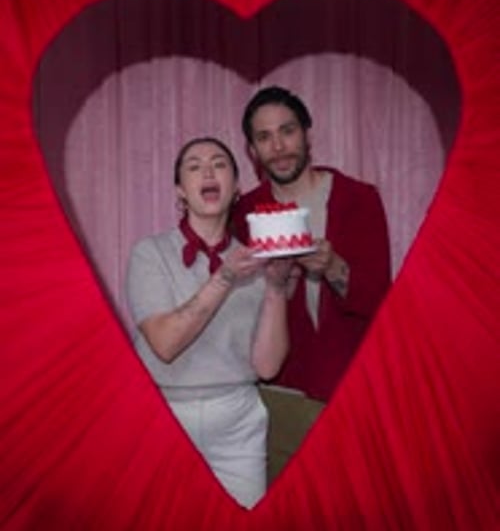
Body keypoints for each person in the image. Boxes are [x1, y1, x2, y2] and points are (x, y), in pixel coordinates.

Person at [232, 86, 392, 478]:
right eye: (264, 137)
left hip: (353, 389)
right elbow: (240, 315)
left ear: (307, 134)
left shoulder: (358, 199)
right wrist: (277, 287)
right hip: (282, 395)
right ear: (252, 150)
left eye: (287, 131)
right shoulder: (246, 212)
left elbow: (381, 303)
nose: (279, 147)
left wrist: (335, 267)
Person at [126, 136, 292, 508]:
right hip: (162, 415)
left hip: (237, 420)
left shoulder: (258, 258)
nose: (208, 171)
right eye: (194, 166)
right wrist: (225, 277)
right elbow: (165, 344)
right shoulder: (149, 253)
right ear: (180, 193)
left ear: (236, 189)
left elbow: (267, 366)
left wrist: (277, 287)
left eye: (219, 164)